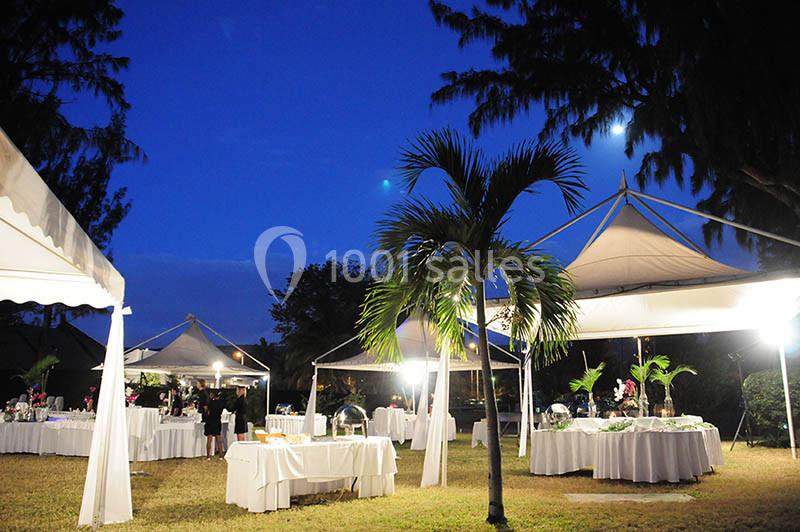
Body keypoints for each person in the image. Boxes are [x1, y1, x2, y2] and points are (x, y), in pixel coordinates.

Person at [205, 390, 225, 460]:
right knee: (218, 438)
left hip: (210, 421)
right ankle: (221, 455)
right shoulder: (221, 404)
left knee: (209, 438)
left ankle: (208, 456)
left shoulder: (210, 402)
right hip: (217, 420)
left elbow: (206, 410)